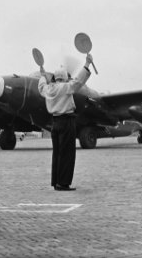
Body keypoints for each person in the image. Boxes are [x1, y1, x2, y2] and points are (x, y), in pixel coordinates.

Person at [38, 54, 93, 191]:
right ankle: (64, 183)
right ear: (64, 77)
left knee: (57, 153)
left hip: (55, 123)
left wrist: (43, 75)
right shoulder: (65, 87)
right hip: (67, 122)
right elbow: (78, 82)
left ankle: (56, 182)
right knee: (67, 154)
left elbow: (41, 86)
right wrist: (87, 65)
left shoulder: (48, 89)